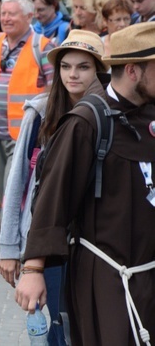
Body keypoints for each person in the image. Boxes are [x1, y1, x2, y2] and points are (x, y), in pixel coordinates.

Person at [15, 22, 155, 345]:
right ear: (133, 70)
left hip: (148, 273)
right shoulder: (88, 121)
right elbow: (53, 199)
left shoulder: (149, 118)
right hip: (105, 278)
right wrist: (34, 270)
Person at [0, 30, 107, 345]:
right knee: (59, 325)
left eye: (83, 67)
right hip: (50, 241)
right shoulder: (41, 110)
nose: (73, 74)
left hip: (96, 240)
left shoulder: (110, 114)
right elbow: (17, 181)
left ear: (99, 71)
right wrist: (9, 248)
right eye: (66, 66)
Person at [0, 0, 55, 272]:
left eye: (13, 14)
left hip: (23, 134)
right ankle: (14, 244)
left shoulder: (42, 47)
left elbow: (54, 90)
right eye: (4, 14)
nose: (6, 18)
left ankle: (7, 250)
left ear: (29, 17)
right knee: (0, 184)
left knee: (13, 190)